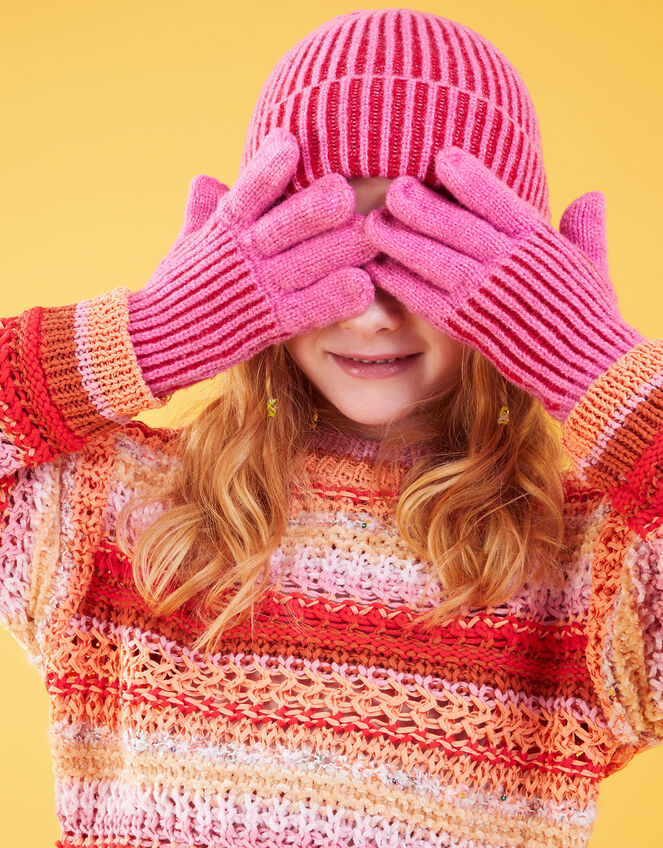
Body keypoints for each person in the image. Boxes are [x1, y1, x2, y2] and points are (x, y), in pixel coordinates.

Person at [1, 7, 661, 847]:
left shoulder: (584, 576)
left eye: (423, 248)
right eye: (327, 240)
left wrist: (601, 377)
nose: (371, 312)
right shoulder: (121, 517)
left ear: (516, 269)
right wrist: (152, 334)